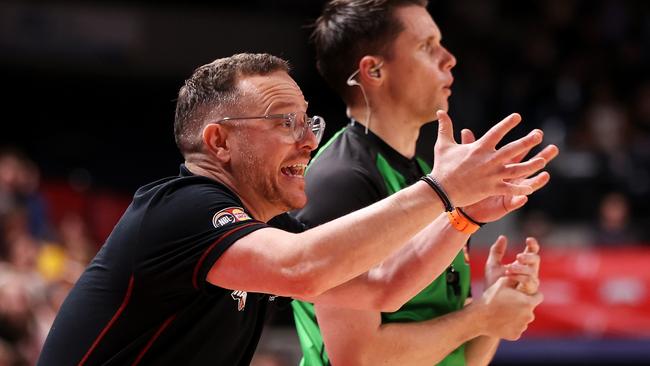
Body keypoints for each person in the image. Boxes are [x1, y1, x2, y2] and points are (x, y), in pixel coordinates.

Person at [37, 53, 548, 365]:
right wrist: (441, 188)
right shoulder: (180, 209)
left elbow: (387, 287)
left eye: (310, 123)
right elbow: (303, 268)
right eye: (286, 123)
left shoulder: (259, 234)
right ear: (219, 141)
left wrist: (464, 215)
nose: (308, 141)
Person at [293, 1, 560, 365]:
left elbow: (462, 358)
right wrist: (480, 316)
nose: (449, 58)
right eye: (426, 46)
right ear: (373, 70)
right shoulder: (338, 179)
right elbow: (357, 358)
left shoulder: (428, 178)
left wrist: (495, 308)